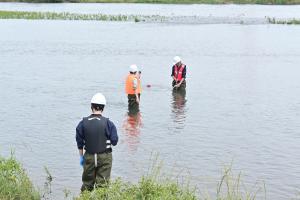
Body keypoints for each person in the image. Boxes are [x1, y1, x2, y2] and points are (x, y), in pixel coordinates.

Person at [75, 93, 118, 192]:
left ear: (91, 107)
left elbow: (79, 143)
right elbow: (114, 141)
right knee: (102, 186)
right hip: (104, 157)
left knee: (87, 184)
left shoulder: (82, 123)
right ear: (103, 108)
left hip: (89, 156)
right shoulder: (109, 124)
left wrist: (81, 157)